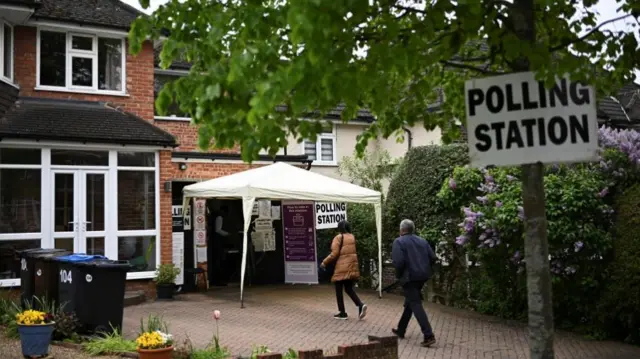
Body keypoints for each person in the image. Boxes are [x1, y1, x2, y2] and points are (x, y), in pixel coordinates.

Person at [391, 219, 437, 347]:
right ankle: (401, 329)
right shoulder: (422, 241)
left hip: (409, 277)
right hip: (422, 276)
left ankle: (428, 335)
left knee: (415, 304)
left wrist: (400, 276)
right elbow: (433, 257)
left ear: (402, 230)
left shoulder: (398, 241)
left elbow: (398, 262)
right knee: (410, 302)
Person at [320, 220, 368, 320]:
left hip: (341, 267)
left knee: (338, 289)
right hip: (351, 266)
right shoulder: (352, 237)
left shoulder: (339, 237)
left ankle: (342, 312)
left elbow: (334, 254)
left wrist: (324, 262)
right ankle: (360, 305)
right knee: (348, 288)